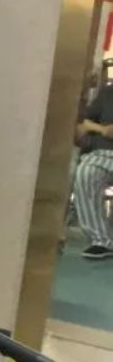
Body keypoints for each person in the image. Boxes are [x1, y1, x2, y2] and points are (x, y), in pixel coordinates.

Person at [74, 76, 113, 259]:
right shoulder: (107, 93)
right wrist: (103, 130)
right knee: (86, 173)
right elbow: (84, 123)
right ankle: (101, 240)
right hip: (102, 153)